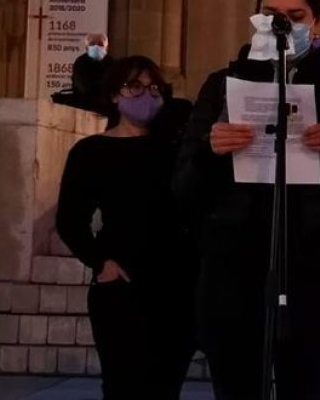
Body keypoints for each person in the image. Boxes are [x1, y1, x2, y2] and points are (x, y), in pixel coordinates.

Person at [175, 0, 320, 400]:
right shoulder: (221, 86)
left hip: (313, 278)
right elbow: (185, 192)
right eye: (272, 17)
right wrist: (212, 154)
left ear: (318, 24)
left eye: (295, 18)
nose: (283, 28)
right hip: (233, 275)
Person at [55, 55, 197, 400]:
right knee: (123, 386)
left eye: (153, 88)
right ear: (115, 95)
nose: (145, 94)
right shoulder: (92, 151)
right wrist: (100, 263)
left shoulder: (176, 148)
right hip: (121, 286)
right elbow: (70, 220)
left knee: (167, 386)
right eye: (134, 85)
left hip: (177, 286)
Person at [52, 34, 115, 114]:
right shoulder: (81, 62)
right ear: (86, 47)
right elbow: (83, 86)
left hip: (107, 107)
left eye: (100, 44)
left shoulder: (111, 62)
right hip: (84, 107)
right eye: (92, 44)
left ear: (106, 47)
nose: (96, 47)